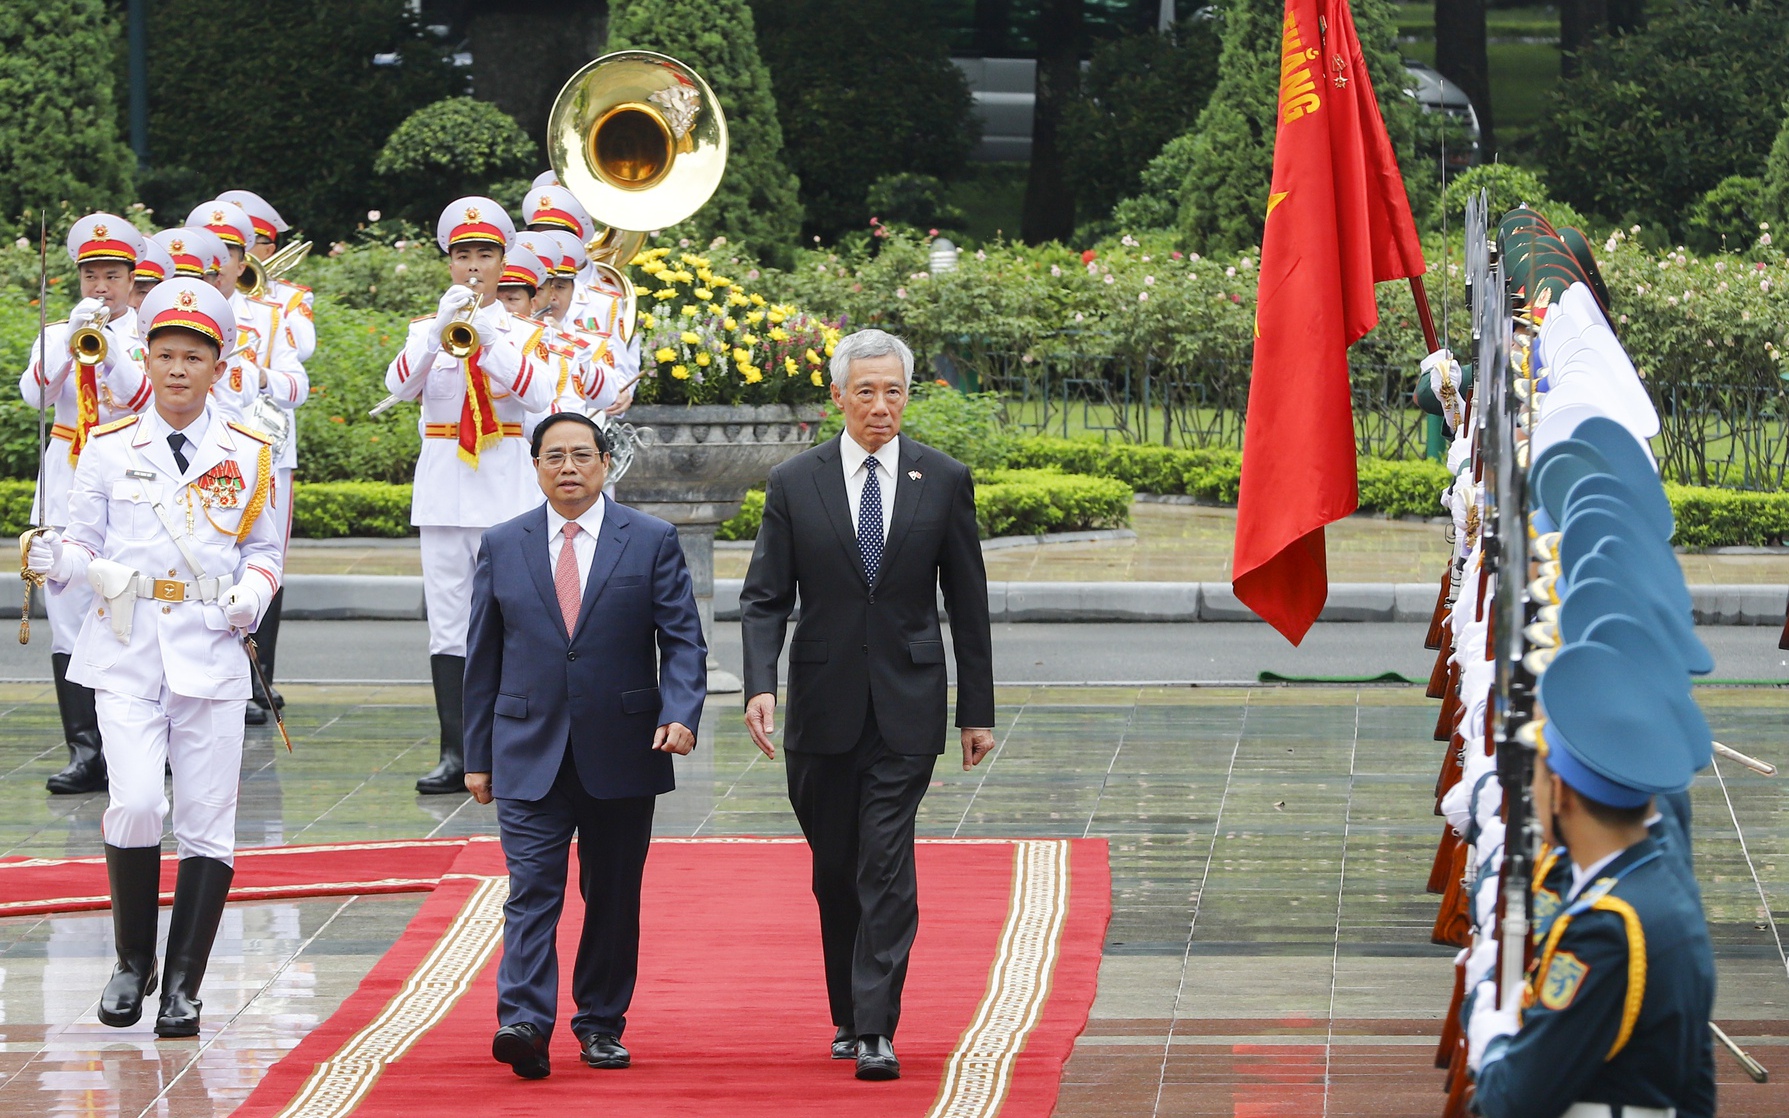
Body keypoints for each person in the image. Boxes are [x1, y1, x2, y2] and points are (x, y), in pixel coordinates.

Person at [26, 277, 284, 1038]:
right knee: (137, 801)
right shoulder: (107, 449)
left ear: (218, 364)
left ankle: (184, 987)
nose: (177, 370)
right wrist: (53, 557)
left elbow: (265, 551)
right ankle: (131, 963)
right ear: (147, 359)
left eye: (193, 357)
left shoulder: (248, 452)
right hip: (129, 648)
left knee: (207, 824)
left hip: (208, 647)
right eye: (165, 355)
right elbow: (82, 543)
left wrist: (252, 596)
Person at [738, 328, 997, 1081]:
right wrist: (761, 684)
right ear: (838, 397)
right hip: (820, 709)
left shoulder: (942, 479)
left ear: (907, 397)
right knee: (835, 870)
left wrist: (974, 710)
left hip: (908, 705)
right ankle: (848, 1015)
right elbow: (763, 599)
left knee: (884, 861)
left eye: (894, 392)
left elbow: (968, 603)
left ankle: (878, 1026)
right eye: (866, 392)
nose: (880, 407)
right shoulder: (795, 482)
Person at [462, 411, 706, 1079]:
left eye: (580, 455)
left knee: (613, 895)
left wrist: (681, 712)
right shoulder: (504, 543)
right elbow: (480, 655)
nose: (567, 467)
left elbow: (682, 639)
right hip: (524, 747)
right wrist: (475, 753)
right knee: (531, 889)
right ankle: (525, 1022)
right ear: (535, 466)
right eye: (553, 457)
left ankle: (600, 1023)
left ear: (604, 463)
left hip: (625, 748)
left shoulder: (649, 540)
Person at [1467, 639, 1716, 1118]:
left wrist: (1491, 1029)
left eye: (1536, 771)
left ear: (1560, 792)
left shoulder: (1607, 928)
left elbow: (1512, 1100)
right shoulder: (1659, 887)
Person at [382, 197, 554, 794]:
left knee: (518, 621)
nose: (473, 267)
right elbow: (399, 386)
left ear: (504, 260)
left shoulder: (525, 332)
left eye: (485, 254)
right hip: (445, 495)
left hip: (507, 493)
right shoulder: (425, 330)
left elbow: (539, 394)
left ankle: (515, 746)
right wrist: (438, 332)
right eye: (462, 256)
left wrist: (488, 337)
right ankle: (457, 752)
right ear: (449, 262)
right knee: (449, 627)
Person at [19, 215, 153, 794]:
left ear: (130, 280)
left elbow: (141, 395)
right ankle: (85, 749)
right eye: (91, 275)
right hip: (66, 472)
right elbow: (34, 396)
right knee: (68, 616)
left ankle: (140, 740)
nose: (100, 287)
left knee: (132, 605)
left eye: (112, 277)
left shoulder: (149, 335)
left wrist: (107, 349)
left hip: (125, 475)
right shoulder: (57, 333)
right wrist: (69, 346)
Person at [191, 200, 308, 723]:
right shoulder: (175, 312)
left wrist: (256, 377)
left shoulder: (268, 314)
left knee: (259, 561)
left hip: (260, 454)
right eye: (208, 250)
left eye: (230, 252)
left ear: (244, 260)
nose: (217, 262)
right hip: (190, 456)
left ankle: (257, 680)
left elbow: (296, 385)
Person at [217, 188, 315, 362]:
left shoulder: (290, 297)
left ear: (269, 250)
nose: (237, 252)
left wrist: (259, 298)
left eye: (246, 243)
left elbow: (303, 349)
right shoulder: (204, 284)